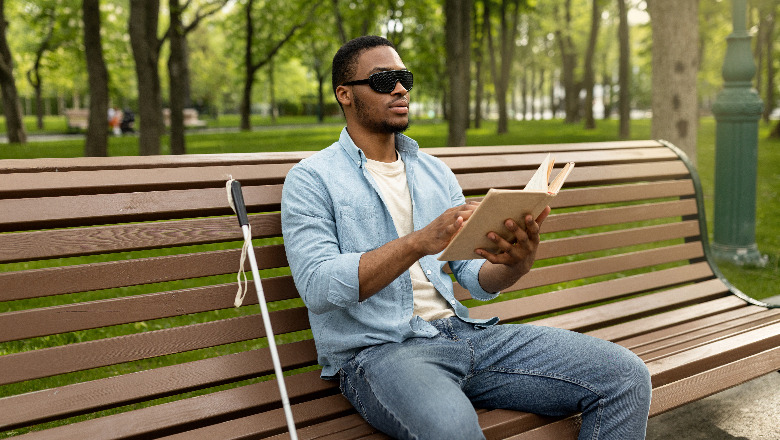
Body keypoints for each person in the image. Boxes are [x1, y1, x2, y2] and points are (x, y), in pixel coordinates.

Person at [281, 36, 651, 440]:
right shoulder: (312, 179)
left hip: (468, 337)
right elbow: (318, 286)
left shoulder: (434, 172)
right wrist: (418, 242)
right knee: (452, 429)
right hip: (383, 353)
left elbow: (473, 274)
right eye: (385, 80)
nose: (401, 88)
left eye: (404, 78)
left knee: (625, 377)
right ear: (344, 94)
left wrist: (514, 263)